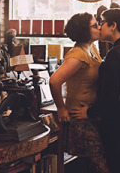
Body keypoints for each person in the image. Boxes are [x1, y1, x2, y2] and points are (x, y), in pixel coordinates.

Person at [70, 7, 120, 173]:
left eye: (102, 23)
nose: (100, 27)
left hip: (119, 119)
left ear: (113, 25)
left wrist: (90, 112)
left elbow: (112, 96)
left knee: (117, 164)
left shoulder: (117, 53)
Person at [49, 12, 108, 173]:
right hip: (80, 118)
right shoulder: (78, 55)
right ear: (84, 30)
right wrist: (61, 108)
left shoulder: (92, 49)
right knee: (100, 165)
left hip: (91, 114)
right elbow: (54, 81)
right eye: (95, 25)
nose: (99, 27)